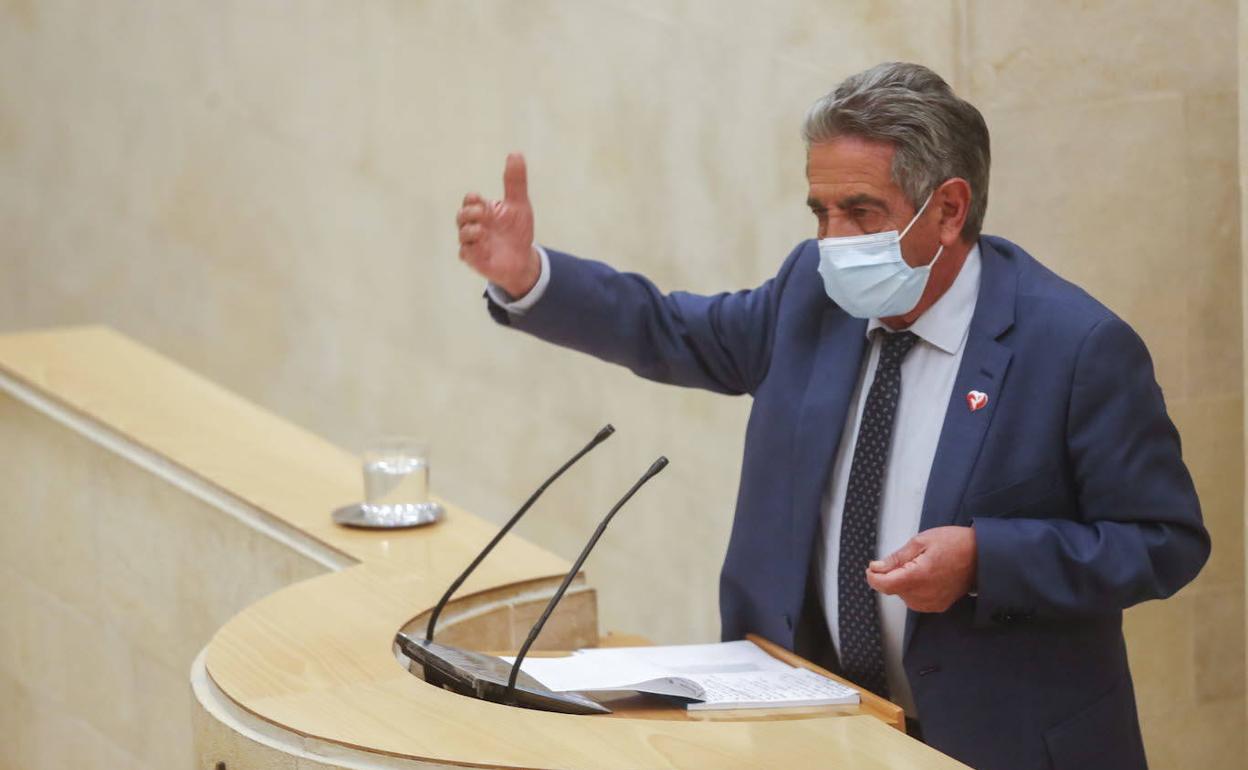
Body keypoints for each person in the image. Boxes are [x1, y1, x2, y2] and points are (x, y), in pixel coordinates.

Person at [454, 62, 1210, 770]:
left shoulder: (1075, 348)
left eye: (861, 211)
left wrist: (986, 561)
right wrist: (527, 276)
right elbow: (669, 331)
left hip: (999, 742)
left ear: (948, 209)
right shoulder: (812, 296)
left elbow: (1163, 541)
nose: (832, 241)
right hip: (814, 734)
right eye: (821, 210)